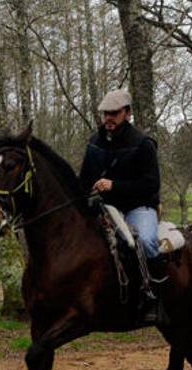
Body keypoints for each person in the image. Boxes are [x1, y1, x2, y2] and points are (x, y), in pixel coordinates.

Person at [79, 89, 165, 325]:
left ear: (127, 113)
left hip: (140, 207)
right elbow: (84, 180)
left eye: (114, 113)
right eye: (106, 113)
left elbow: (151, 184)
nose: (109, 118)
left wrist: (113, 186)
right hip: (107, 209)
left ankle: (153, 297)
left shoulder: (143, 144)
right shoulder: (94, 143)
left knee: (145, 241)